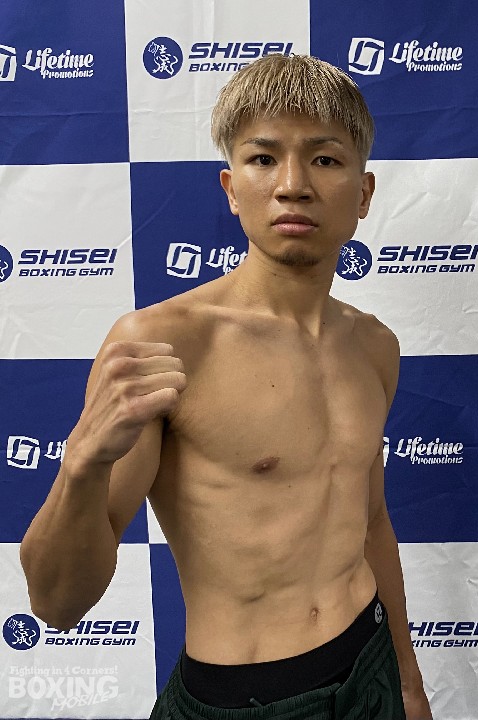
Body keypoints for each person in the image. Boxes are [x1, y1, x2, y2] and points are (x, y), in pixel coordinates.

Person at [20, 54, 432, 720]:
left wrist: (407, 679)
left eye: (325, 159)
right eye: (263, 158)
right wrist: (81, 467)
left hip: (371, 664)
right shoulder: (164, 343)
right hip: (241, 700)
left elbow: (371, 520)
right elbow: (56, 604)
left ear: (363, 194)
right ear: (231, 188)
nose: (293, 185)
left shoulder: (374, 346)